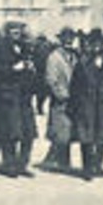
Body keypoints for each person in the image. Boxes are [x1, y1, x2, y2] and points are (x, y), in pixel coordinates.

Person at [0, 21, 38, 177]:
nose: (17, 35)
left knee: (29, 133)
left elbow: (31, 71)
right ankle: (10, 165)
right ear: (7, 34)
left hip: (23, 97)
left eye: (19, 32)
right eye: (13, 32)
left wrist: (31, 69)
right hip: (6, 96)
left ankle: (22, 164)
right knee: (10, 132)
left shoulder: (25, 48)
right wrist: (13, 69)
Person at [70, 29, 103, 180]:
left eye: (99, 43)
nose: (96, 47)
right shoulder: (82, 63)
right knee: (87, 137)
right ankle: (87, 168)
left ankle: (98, 164)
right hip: (87, 104)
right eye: (93, 44)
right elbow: (75, 86)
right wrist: (76, 104)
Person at [39, 28, 80, 173]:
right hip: (61, 99)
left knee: (68, 131)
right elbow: (51, 79)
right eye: (66, 38)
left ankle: (62, 161)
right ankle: (53, 160)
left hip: (74, 100)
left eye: (71, 37)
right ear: (61, 39)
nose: (69, 40)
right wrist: (61, 94)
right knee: (60, 131)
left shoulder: (75, 56)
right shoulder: (54, 57)